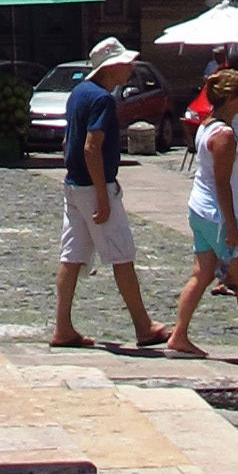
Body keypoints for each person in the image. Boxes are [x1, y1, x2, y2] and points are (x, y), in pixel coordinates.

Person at [162, 66, 238, 364]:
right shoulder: (225, 135)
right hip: (218, 215)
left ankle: (179, 335)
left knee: (203, 273)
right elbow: (223, 183)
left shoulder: (208, 125)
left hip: (201, 209)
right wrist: (233, 225)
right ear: (231, 98)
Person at [51, 36, 166, 354]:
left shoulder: (78, 94)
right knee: (121, 254)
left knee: (72, 256)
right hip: (92, 186)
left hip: (73, 184)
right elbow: (92, 147)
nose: (129, 69)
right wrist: (103, 196)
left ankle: (62, 326)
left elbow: (68, 141)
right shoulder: (102, 99)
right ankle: (143, 326)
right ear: (111, 67)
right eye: (125, 64)